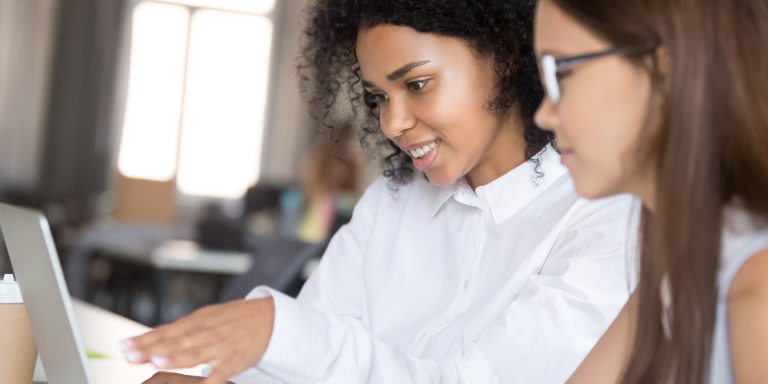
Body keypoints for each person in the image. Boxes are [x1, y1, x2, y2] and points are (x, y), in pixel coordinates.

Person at [123, 0, 639, 383]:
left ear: (504, 55)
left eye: (416, 85)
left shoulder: (608, 218)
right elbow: (304, 360)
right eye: (378, 97)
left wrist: (280, 331)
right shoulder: (394, 199)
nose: (392, 123)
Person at [532, 0, 768, 383]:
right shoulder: (679, 257)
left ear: (666, 66)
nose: (543, 114)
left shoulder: (758, 293)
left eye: (562, 72)